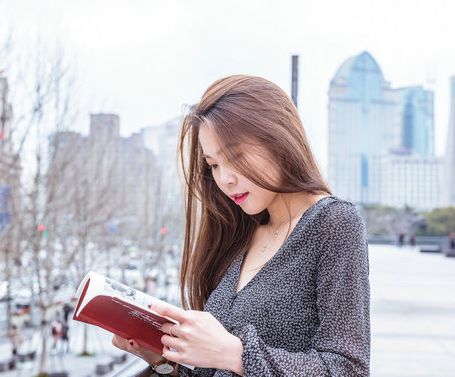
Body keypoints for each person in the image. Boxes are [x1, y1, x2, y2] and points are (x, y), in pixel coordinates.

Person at [111, 75, 370, 376]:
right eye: (214, 165)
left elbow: (347, 369)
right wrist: (162, 359)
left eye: (236, 156)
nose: (224, 179)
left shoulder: (333, 224)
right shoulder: (240, 234)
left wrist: (235, 354)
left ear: (279, 139)